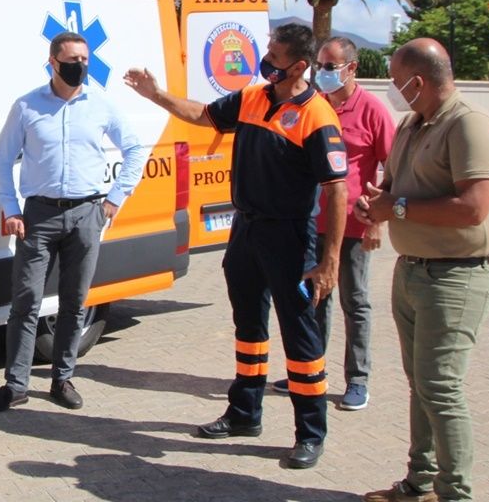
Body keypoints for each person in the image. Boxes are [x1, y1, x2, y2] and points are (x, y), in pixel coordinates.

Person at [125, 23, 348, 469]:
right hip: (246, 232)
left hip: (290, 237)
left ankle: (310, 432)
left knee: (300, 335)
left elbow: (336, 191)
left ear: (299, 66)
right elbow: (202, 114)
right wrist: (156, 95)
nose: (266, 60)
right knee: (249, 326)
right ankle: (244, 413)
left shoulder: (317, 116)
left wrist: (330, 262)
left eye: (274, 55)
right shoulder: (252, 97)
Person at [355, 38, 489, 502]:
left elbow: (473, 208)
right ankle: (418, 484)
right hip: (413, 271)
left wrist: (393, 208)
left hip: (457, 276)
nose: (395, 90)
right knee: (420, 384)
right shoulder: (412, 124)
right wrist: (374, 205)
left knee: (440, 387)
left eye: (399, 82)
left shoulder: (469, 126)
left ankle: (455, 493)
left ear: (418, 82)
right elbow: (394, 189)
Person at [0, 31, 147, 414]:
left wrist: (114, 200)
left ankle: (62, 379)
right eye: (73, 60)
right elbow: (2, 161)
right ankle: (16, 385)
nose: (81, 67)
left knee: (74, 303)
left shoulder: (101, 104)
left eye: (85, 60)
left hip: (87, 214)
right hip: (38, 216)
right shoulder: (27, 106)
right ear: (53, 62)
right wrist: (12, 208)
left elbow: (135, 148)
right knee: (25, 302)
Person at [271, 37, 394, 411]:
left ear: (351, 68)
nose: (320, 73)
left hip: (353, 228)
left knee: (354, 302)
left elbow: (395, 168)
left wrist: (377, 219)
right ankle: (311, 370)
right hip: (310, 224)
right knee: (314, 299)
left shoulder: (373, 111)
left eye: (329, 66)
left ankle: (357, 379)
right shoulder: (312, 105)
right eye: (318, 65)